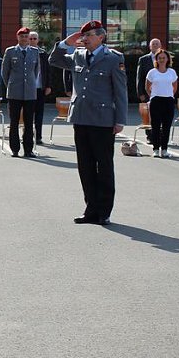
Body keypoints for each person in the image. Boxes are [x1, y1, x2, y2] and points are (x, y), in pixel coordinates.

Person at [49, 20, 128, 225]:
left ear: (101, 37)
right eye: (83, 36)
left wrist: (120, 120)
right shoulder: (77, 54)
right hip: (81, 117)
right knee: (85, 166)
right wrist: (66, 42)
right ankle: (90, 209)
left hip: (103, 120)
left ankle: (104, 211)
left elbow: (120, 92)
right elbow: (54, 59)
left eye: (89, 35)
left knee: (104, 166)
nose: (84, 39)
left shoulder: (113, 58)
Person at [2, 27, 41, 157]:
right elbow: (5, 72)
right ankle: (14, 149)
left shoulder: (35, 52)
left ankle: (28, 149)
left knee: (29, 122)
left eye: (26, 36)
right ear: (17, 37)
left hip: (30, 92)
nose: (24, 39)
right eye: (22, 36)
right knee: (14, 122)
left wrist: (30, 83)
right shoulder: (10, 51)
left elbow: (36, 71)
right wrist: (11, 85)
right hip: (14, 92)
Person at [145, 48, 178, 158]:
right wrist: (153, 95)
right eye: (160, 58)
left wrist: (169, 95)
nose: (162, 60)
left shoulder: (172, 72)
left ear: (168, 59)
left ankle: (164, 149)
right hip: (156, 101)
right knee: (155, 126)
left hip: (168, 101)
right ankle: (155, 149)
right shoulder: (152, 72)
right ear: (156, 59)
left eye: (164, 58)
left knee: (166, 126)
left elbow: (174, 86)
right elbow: (147, 86)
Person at [136, 38, 163, 143]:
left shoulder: (165, 58)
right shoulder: (143, 59)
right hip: (147, 93)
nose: (155, 46)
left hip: (161, 92)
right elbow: (139, 77)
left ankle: (160, 136)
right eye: (153, 44)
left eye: (157, 44)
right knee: (148, 115)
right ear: (150, 46)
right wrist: (140, 93)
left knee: (160, 114)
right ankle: (149, 136)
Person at [28, 31, 52, 145]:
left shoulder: (43, 53)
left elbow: (47, 71)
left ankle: (38, 136)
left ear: (37, 40)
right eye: (30, 38)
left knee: (39, 113)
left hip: (40, 87)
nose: (32, 40)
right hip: (28, 88)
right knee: (28, 113)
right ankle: (27, 135)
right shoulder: (25, 52)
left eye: (34, 38)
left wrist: (48, 85)